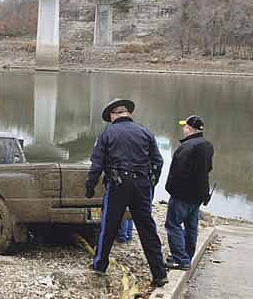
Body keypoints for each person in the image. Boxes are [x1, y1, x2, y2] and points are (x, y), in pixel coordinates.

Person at [85, 99, 169, 287]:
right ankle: (159, 273)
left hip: (117, 185)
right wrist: (151, 184)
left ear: (113, 115)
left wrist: (90, 186)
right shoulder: (145, 132)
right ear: (128, 114)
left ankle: (100, 266)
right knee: (147, 229)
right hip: (141, 184)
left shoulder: (107, 133)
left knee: (109, 227)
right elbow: (158, 161)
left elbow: (96, 164)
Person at [164, 115, 214, 270]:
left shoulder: (186, 147)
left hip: (182, 195)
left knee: (173, 224)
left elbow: (178, 172)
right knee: (191, 226)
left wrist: (170, 189)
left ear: (190, 128)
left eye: (185, 126)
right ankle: (187, 255)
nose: (183, 128)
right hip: (198, 195)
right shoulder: (208, 145)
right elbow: (208, 169)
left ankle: (180, 259)